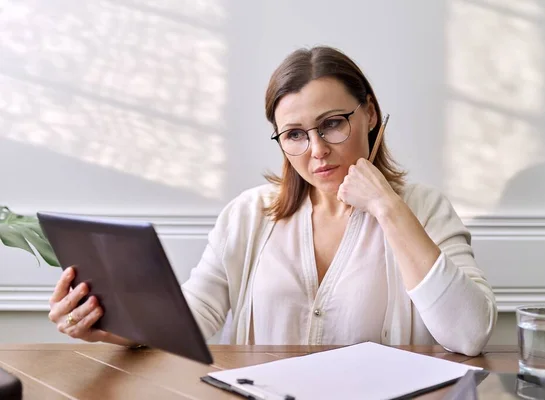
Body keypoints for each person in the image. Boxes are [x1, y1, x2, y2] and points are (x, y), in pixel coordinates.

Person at [48, 46, 497, 356]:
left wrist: (388, 208)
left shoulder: (424, 209)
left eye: (333, 124)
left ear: (370, 114)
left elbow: (469, 334)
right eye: (295, 135)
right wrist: (108, 328)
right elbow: (191, 320)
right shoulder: (248, 215)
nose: (317, 150)